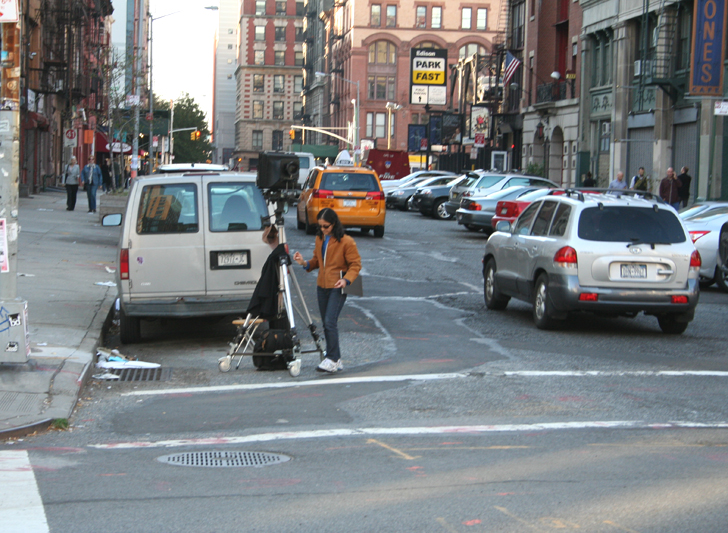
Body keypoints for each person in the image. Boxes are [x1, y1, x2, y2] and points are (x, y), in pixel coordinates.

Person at [293, 208, 361, 374]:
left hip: (339, 286)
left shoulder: (347, 241)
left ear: (334, 224)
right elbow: (316, 261)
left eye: (326, 226)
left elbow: (356, 264)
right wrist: (303, 263)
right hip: (322, 285)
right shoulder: (320, 238)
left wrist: (346, 280)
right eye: (321, 226)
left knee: (330, 321)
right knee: (327, 323)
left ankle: (333, 358)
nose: (323, 229)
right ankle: (334, 359)